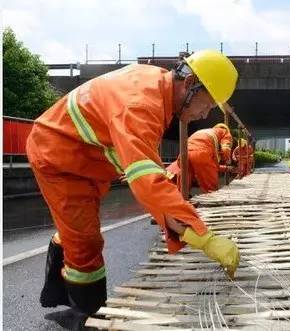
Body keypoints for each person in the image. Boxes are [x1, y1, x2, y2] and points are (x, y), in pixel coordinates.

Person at [26, 49, 240, 330]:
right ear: (189, 85)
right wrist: (205, 238)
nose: (205, 113)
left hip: (88, 157)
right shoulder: (140, 103)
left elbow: (143, 158)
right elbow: (146, 180)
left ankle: (63, 261)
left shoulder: (155, 88)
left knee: (78, 227)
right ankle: (84, 313)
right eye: (208, 104)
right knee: (85, 243)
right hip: (60, 158)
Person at [166, 123, 233, 193]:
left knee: (184, 183)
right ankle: (212, 202)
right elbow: (226, 148)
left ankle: (182, 199)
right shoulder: (225, 132)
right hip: (201, 153)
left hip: (184, 152)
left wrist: (225, 168)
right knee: (211, 188)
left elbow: (213, 165)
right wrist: (226, 159)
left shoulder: (205, 131)